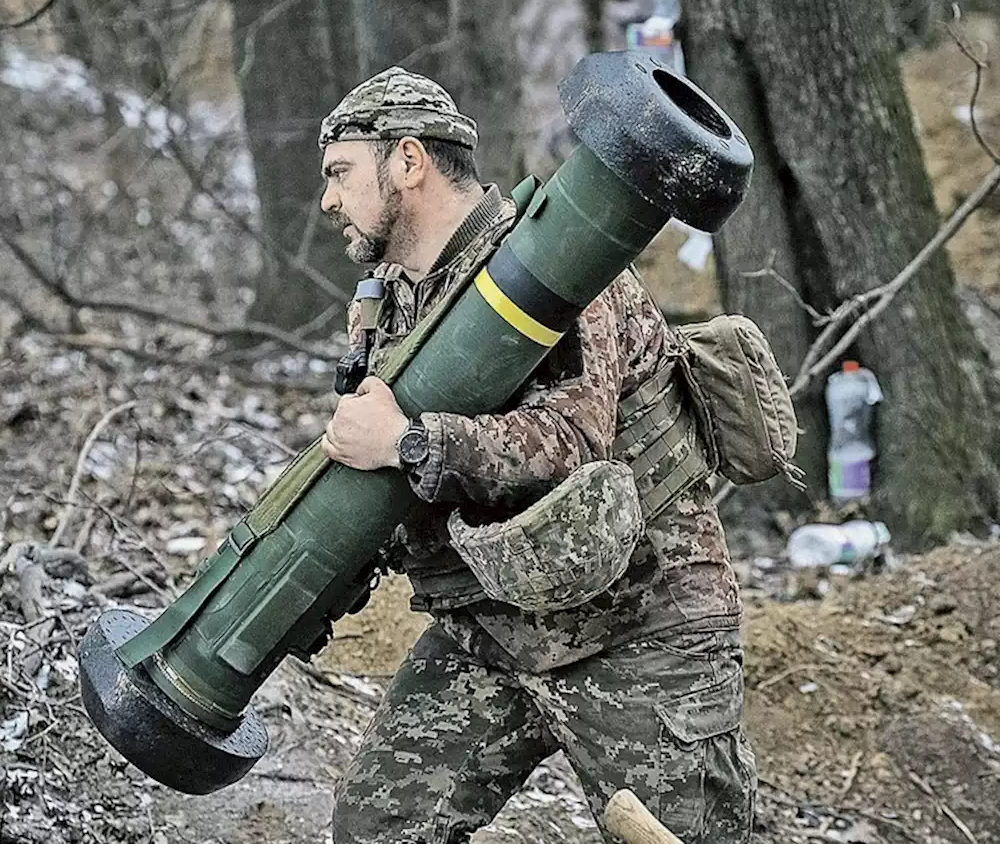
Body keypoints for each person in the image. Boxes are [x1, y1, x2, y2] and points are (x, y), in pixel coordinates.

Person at [316, 66, 756, 844]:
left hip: (641, 628)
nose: (327, 200)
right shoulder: (391, 306)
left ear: (408, 162)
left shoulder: (560, 258)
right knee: (374, 830)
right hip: (488, 632)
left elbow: (568, 441)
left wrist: (410, 441)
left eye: (340, 172)